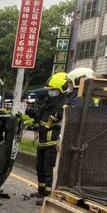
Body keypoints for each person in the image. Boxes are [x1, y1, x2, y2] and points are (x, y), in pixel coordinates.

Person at [29, 72, 69, 205]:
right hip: (42, 142)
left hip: (52, 143)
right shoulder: (47, 103)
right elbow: (40, 120)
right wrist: (33, 114)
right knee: (39, 167)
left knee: (48, 170)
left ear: (61, 89)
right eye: (50, 90)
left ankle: (48, 194)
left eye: (53, 90)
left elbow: (60, 123)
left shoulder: (63, 106)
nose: (51, 92)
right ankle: (41, 190)